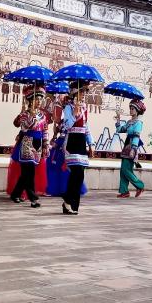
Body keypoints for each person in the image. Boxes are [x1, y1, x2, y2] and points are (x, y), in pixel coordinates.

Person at [8, 85, 49, 208]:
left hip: (38, 144)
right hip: (27, 143)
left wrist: (46, 144)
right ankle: (33, 199)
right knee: (29, 172)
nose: (39, 101)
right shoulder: (25, 114)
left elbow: (45, 130)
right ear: (30, 100)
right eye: (36, 99)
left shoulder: (43, 115)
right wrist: (31, 115)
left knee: (26, 173)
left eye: (40, 99)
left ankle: (15, 194)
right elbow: (25, 127)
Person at [60, 82, 94, 215]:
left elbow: (86, 127)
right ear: (74, 93)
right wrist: (74, 114)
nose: (83, 94)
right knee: (76, 172)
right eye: (81, 92)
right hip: (72, 142)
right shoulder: (68, 108)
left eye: (84, 92)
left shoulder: (84, 108)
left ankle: (72, 205)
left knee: (80, 175)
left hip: (81, 142)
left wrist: (91, 143)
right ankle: (68, 201)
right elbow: (67, 126)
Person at [115, 99, 147, 198]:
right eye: (130, 108)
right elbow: (120, 130)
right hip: (126, 146)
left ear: (137, 111)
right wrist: (118, 119)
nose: (131, 110)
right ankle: (124, 191)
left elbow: (136, 136)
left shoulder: (138, 123)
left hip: (132, 146)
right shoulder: (129, 122)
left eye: (133, 109)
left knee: (126, 170)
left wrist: (134, 149)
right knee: (123, 170)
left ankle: (140, 186)